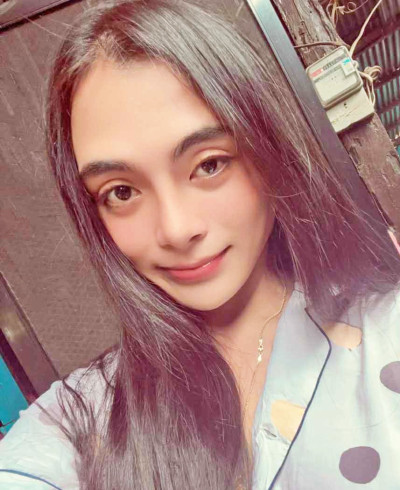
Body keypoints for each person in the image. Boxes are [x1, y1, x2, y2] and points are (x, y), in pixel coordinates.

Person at [1, 0, 399, 488]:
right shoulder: (80, 419)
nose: (175, 229)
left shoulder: (386, 328)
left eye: (209, 164)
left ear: (268, 150)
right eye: (121, 192)